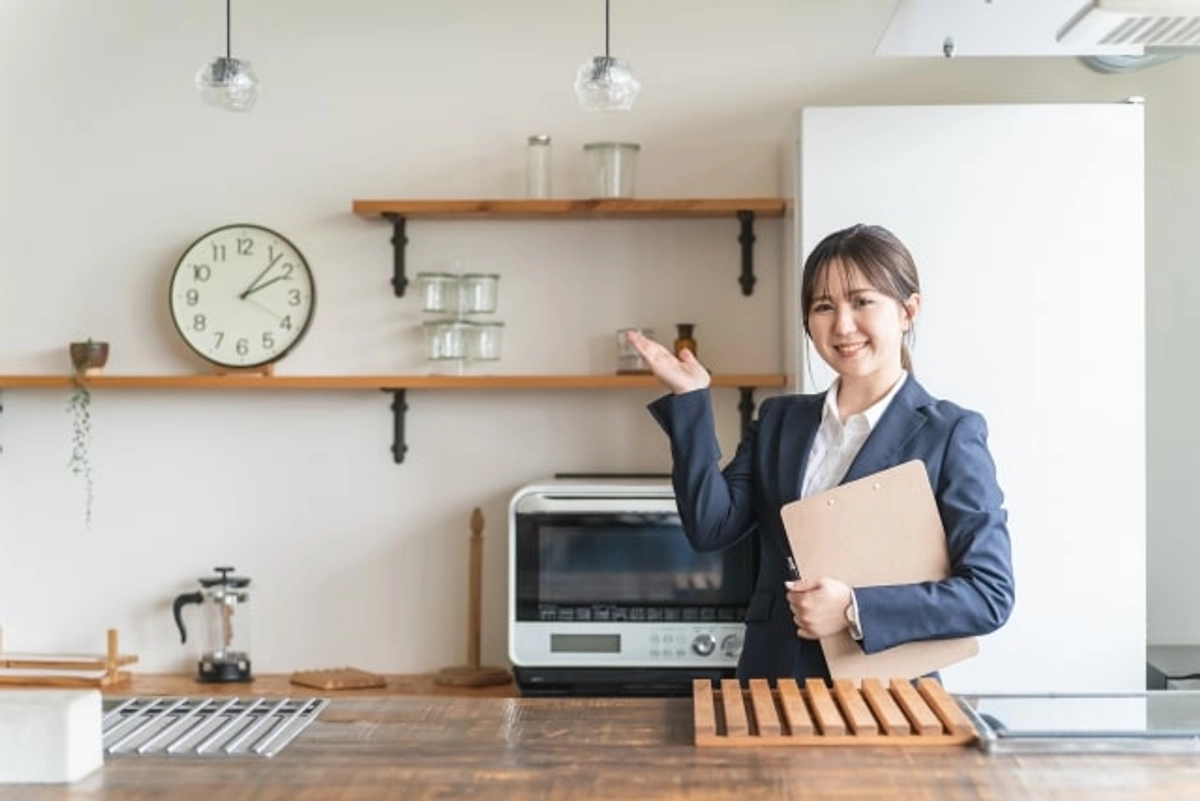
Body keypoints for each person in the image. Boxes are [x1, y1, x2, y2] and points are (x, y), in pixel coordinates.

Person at [626, 223, 1014, 683]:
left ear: (909, 310)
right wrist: (692, 402)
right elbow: (710, 526)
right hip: (771, 686)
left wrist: (855, 609)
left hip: (885, 702)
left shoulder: (951, 434)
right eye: (824, 306)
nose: (842, 325)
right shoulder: (779, 420)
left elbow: (988, 594)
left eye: (862, 301)